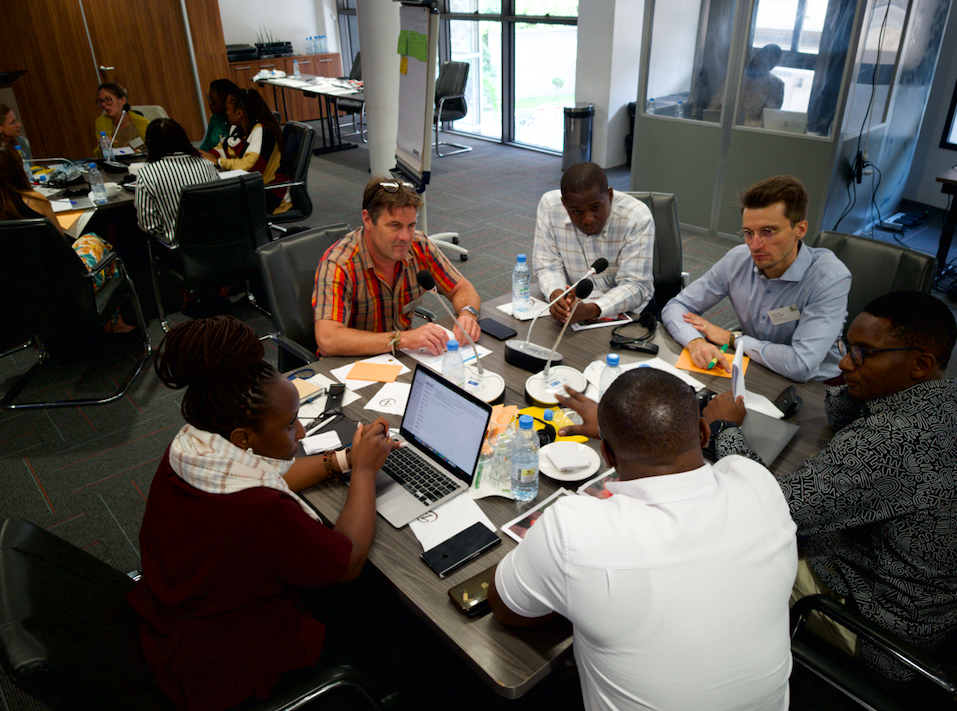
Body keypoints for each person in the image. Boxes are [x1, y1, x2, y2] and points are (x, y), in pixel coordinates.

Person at [128, 316, 397, 711]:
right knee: (387, 613)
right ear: (244, 438)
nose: (301, 433)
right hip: (230, 665)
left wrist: (345, 458)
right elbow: (348, 561)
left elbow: (274, 473)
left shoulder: (191, 448)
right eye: (290, 425)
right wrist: (365, 473)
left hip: (174, 623)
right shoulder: (259, 509)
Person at [489, 368, 797, 711]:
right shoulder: (759, 483)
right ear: (704, 432)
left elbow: (506, 608)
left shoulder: (572, 530)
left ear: (607, 455)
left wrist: (573, 593)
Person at [702, 290, 957, 680]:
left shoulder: (891, 440)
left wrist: (724, 429)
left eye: (864, 354)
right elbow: (842, 412)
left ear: (920, 363)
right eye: (848, 348)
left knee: (722, 553)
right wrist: (864, 375)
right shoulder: (942, 397)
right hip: (925, 602)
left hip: (881, 627)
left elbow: (770, 508)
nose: (844, 363)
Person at [661, 175, 850, 382]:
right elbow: (676, 306)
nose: (755, 245)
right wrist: (695, 341)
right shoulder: (737, 260)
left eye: (768, 231)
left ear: (800, 229)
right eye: (748, 232)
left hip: (816, 385)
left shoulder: (829, 278)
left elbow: (800, 364)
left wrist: (732, 339)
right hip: (754, 364)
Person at [313, 176, 482, 357]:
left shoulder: (419, 246)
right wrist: (402, 339)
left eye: (411, 225)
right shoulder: (339, 265)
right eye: (395, 225)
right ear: (368, 220)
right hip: (351, 362)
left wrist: (467, 313)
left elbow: (462, 288)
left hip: (401, 356)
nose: (405, 237)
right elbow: (328, 340)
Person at [0, 145, 133, 332]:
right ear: (17, 169)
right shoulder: (34, 200)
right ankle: (114, 324)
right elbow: (62, 246)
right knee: (93, 240)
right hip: (63, 286)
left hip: (15, 293)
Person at [533, 161, 654, 324]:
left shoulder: (636, 218)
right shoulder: (550, 206)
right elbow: (548, 266)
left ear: (610, 195)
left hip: (630, 313)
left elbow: (636, 285)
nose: (588, 219)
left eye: (595, 208)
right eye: (577, 211)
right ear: (564, 204)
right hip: (575, 309)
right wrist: (556, 294)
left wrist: (592, 309)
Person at [199, 88, 289, 214]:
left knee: (213, 202)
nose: (226, 112)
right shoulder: (239, 128)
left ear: (240, 112)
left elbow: (250, 167)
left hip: (270, 193)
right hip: (252, 187)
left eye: (228, 109)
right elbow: (225, 149)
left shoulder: (261, 131)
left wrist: (218, 161)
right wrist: (207, 155)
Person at [135, 118, 220, 244]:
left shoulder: (147, 174)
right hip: (217, 242)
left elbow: (149, 226)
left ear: (150, 145)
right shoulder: (207, 166)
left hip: (179, 248)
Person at [706, 44, 785, 127]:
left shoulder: (776, 85)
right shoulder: (735, 75)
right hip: (719, 125)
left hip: (748, 131)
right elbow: (713, 105)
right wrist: (708, 120)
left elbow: (767, 120)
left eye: (766, 59)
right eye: (759, 55)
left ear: (772, 65)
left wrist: (744, 125)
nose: (759, 60)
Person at [94, 82, 149, 156]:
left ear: (122, 100)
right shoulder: (101, 123)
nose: (104, 104)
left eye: (108, 99)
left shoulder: (142, 122)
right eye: (101, 101)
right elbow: (99, 155)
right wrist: (103, 147)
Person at [198, 78, 238, 152]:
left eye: (212, 100)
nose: (210, 104)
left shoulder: (238, 120)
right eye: (209, 99)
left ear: (225, 100)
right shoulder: (215, 118)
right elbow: (205, 146)